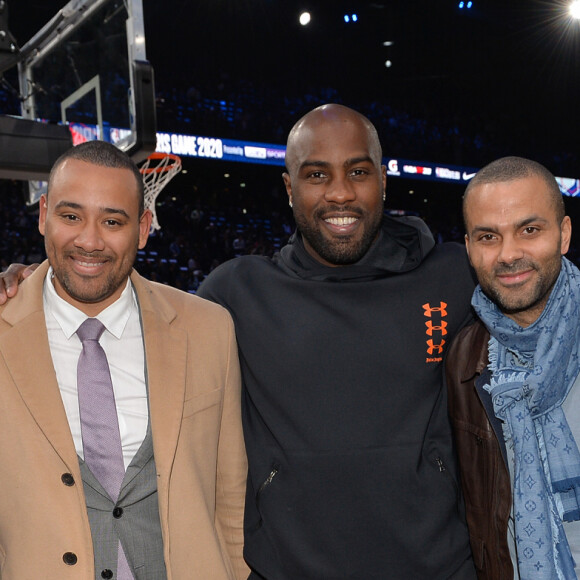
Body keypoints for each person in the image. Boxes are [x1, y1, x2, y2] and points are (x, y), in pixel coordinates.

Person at [0, 105, 477, 579]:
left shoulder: (454, 276)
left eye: (358, 171)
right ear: (289, 189)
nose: (340, 192)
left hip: (435, 567)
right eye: (316, 174)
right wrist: (27, 284)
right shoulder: (236, 295)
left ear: (384, 179)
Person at [0, 141, 248, 579]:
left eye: (112, 221)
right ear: (43, 215)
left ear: (143, 228)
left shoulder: (208, 328)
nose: (89, 241)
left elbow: (231, 495)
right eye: (70, 216)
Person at [446, 156, 580, 579]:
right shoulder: (464, 361)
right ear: (469, 249)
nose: (509, 254)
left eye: (529, 230)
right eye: (489, 236)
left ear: (564, 234)